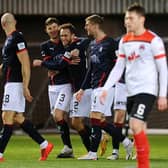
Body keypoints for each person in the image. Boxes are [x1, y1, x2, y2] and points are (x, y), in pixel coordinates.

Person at [100, 3, 167, 168]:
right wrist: (106, 88)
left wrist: (163, 94)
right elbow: (119, 67)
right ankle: (142, 160)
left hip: (147, 90)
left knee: (135, 124)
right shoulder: (124, 40)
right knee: (136, 128)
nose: (127, 21)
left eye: (131, 18)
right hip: (130, 91)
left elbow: (163, 69)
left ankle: (143, 165)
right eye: (125, 18)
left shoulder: (154, 40)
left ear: (141, 19)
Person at [75, 14, 133, 160]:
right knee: (98, 120)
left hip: (106, 87)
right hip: (95, 86)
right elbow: (90, 70)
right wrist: (82, 88)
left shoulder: (110, 43)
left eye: (87, 24)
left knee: (95, 117)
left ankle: (93, 153)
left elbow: (119, 65)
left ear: (95, 25)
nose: (85, 27)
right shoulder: (93, 44)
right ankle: (126, 142)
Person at [0, 12, 53, 162]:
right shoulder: (9, 40)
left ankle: (0, 154)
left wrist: (25, 86)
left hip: (15, 84)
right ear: (14, 22)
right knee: (17, 117)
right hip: (11, 83)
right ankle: (44, 144)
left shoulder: (17, 38)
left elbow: (25, 62)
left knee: (7, 116)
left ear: (3, 25)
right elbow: (8, 63)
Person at [33, 18, 73, 158]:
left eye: (55, 27)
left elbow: (61, 65)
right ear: (46, 31)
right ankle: (68, 148)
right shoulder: (45, 46)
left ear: (59, 27)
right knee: (58, 118)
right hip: (53, 86)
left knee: (61, 115)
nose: (53, 30)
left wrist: (46, 64)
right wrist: (53, 65)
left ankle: (69, 147)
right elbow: (53, 63)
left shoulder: (65, 42)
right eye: (50, 28)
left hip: (67, 84)